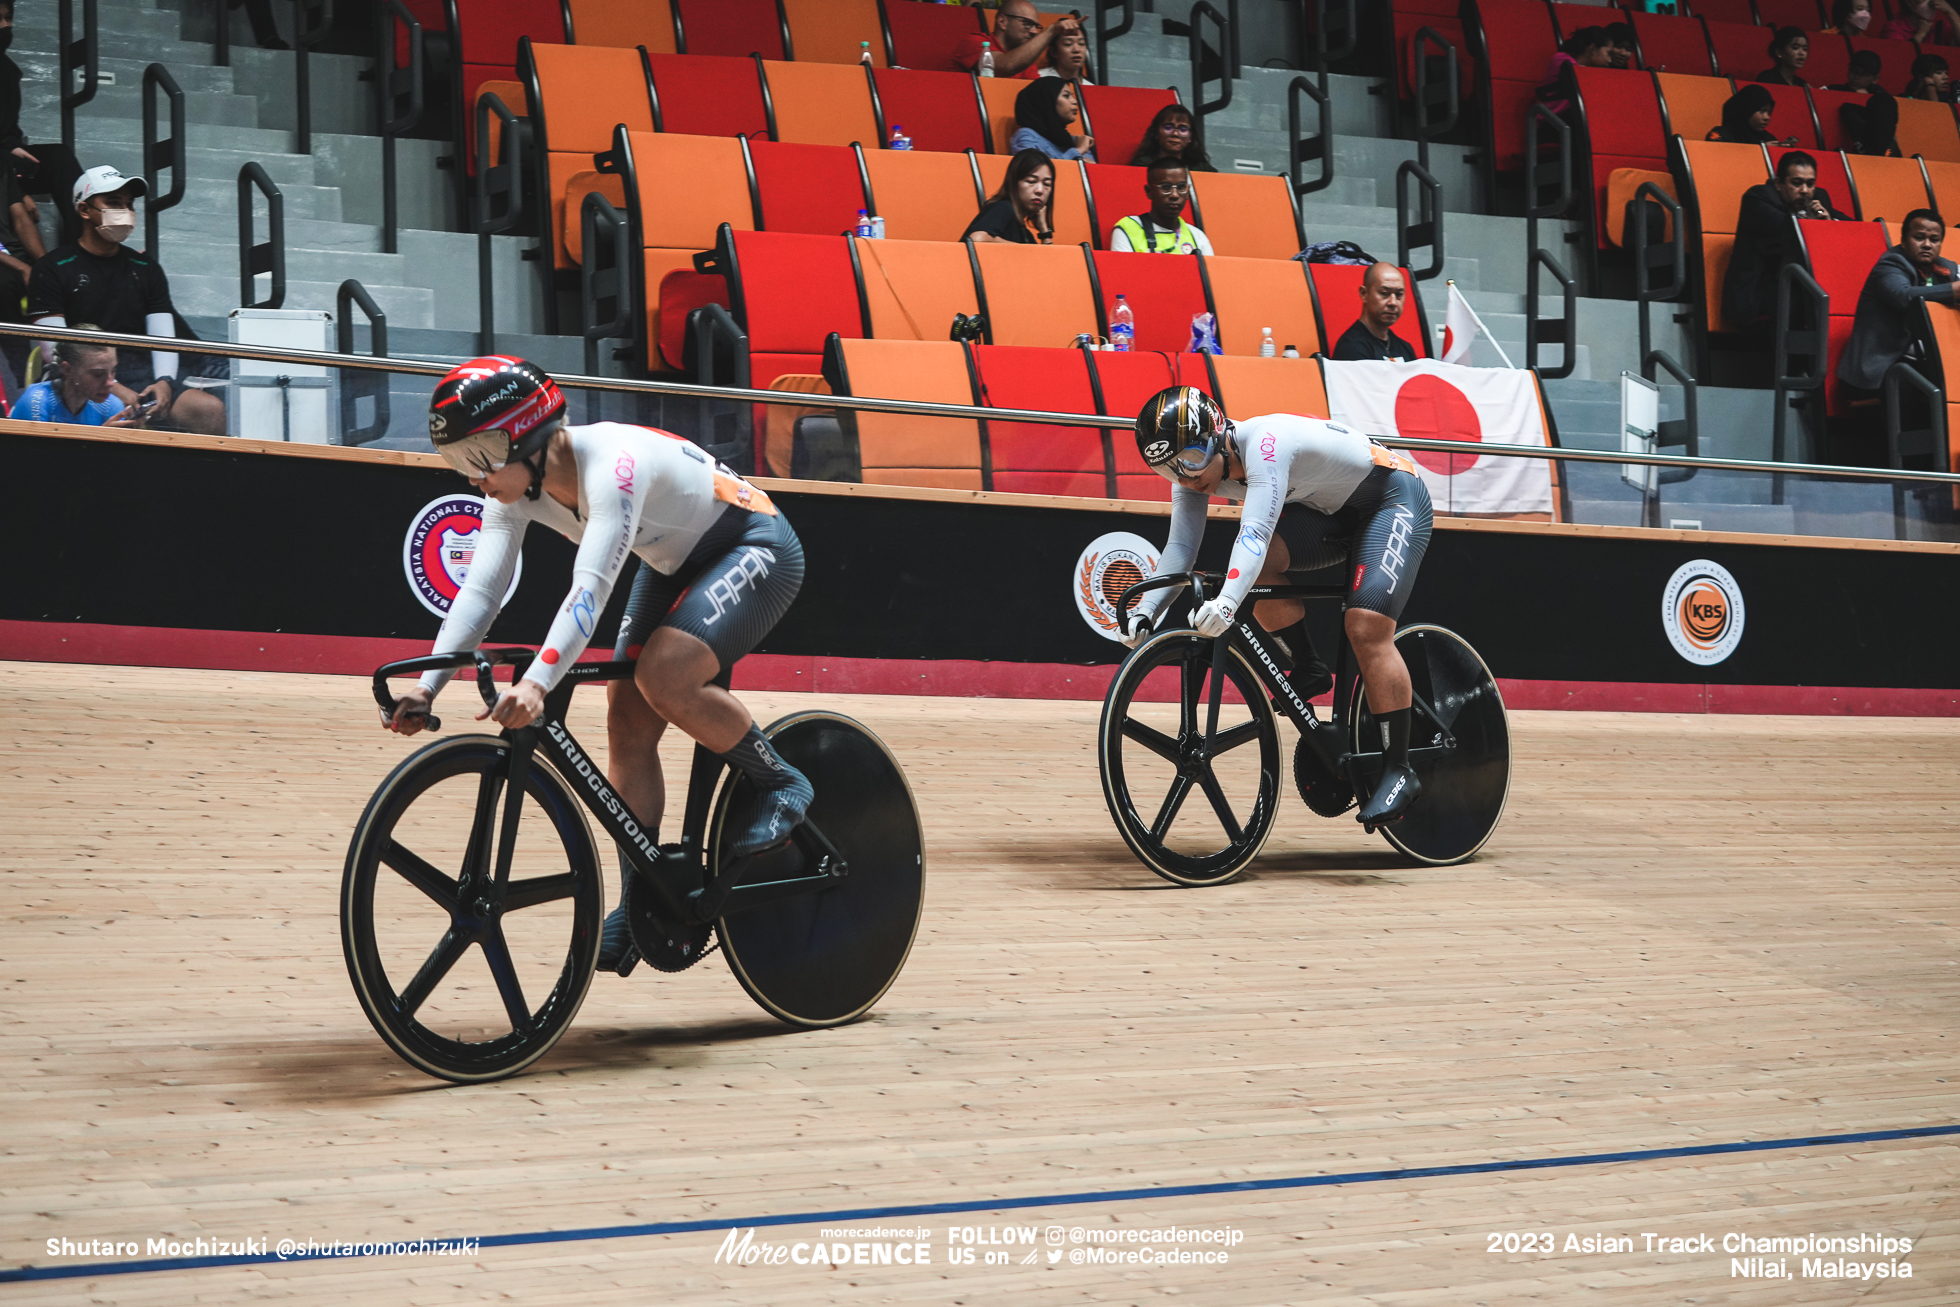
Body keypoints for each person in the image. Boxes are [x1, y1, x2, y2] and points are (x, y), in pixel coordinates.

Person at [384, 357, 809, 979]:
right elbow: (481, 592)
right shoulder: (514, 490)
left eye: (477, 456)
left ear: (524, 435)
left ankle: (781, 781)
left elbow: (589, 590)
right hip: (674, 560)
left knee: (662, 676)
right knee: (627, 718)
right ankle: (646, 897)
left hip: (757, 546)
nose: (472, 477)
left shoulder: (612, 468)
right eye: (458, 462)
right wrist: (426, 687)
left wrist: (536, 684)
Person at [1123, 387, 1435, 825]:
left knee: (1365, 627)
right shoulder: (1193, 472)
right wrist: (1147, 610)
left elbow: (1252, 532)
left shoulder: (1266, 444)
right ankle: (1308, 666)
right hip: (1332, 510)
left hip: (1394, 496)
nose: (1187, 477)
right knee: (1258, 568)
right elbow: (1180, 546)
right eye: (1168, 469)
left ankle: (1399, 768)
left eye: (1191, 459)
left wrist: (1228, 602)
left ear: (1217, 433)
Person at [27, 166, 226, 436]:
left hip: (142, 374)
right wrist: (112, 386)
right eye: (112, 203)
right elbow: (56, 350)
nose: (125, 211)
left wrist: (164, 382)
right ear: (85, 210)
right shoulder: (52, 268)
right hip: (80, 376)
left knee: (208, 409)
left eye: (128, 204)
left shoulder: (144, 267)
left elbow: (163, 337)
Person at [1723, 151, 1849, 341]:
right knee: (1799, 299)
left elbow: (1852, 226)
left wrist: (1830, 222)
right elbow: (1789, 232)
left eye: (1810, 184)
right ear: (1779, 184)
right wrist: (1818, 226)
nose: (1805, 190)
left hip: (1800, 283)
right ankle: (1796, 367)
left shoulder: (1819, 197)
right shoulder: (1758, 198)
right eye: (1796, 183)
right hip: (1758, 289)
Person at [1836, 209, 1958, 400]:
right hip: (1881, 368)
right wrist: (1954, 291)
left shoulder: (1946, 268)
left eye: (1934, 240)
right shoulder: (1891, 264)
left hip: (1923, 362)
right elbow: (1904, 296)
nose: (1927, 245)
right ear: (1904, 239)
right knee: (1926, 388)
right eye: (1919, 237)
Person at [0, 0, 83, 255]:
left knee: (59, 158)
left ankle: (84, 251)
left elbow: (8, 128)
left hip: (5, 161)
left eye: (8, 18)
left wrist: (12, 147)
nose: (5, 26)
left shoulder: (7, 71)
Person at [7, 331, 140, 426]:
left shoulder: (112, 406)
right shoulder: (36, 402)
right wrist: (101, 439)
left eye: (113, 371)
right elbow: (40, 462)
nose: (111, 383)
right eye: (98, 374)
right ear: (68, 370)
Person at [953, 0, 1080, 80]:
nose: (1034, 31)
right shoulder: (975, 42)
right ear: (1002, 22)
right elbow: (1006, 66)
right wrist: (1051, 31)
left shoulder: (1025, 60)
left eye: (1036, 26)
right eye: (1027, 23)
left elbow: (1035, 93)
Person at [1109, 162, 1212, 255]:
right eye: (1166, 187)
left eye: (1181, 187)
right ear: (1149, 191)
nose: (1174, 195)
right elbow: (1123, 275)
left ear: (1188, 192)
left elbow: (1210, 275)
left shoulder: (1197, 237)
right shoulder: (1128, 229)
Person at [961, 149, 1054, 245]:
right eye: (1031, 181)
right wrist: (1023, 250)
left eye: (1047, 184)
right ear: (1014, 183)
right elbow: (977, 238)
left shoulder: (1024, 232)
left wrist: (1044, 231)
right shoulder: (1003, 208)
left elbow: (1048, 259)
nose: (1040, 190)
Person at [1330, 264, 1419, 362]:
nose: (1393, 302)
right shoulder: (1351, 347)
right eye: (1384, 293)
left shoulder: (1405, 348)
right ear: (1364, 293)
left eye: (1399, 295)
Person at [1009, 76, 1094, 161]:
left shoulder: (1072, 140)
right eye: (1066, 96)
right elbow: (1034, 171)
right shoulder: (1026, 137)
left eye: (1072, 96)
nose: (1075, 101)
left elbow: (1091, 169)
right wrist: (1079, 151)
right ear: (1046, 101)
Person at [1537, 27, 1614, 116]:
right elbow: (1578, 77)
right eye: (1608, 53)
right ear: (1593, 49)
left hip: (1574, 122)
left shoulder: (1591, 70)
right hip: (1552, 121)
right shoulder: (1561, 59)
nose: (1610, 60)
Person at [1127, 103, 1215, 173]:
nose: (1175, 134)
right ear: (1156, 133)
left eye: (1183, 129)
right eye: (1168, 127)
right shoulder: (1143, 166)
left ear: (1190, 137)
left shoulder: (1201, 168)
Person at [1706, 84, 1796, 146]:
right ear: (1746, 109)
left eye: (1769, 112)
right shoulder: (1720, 133)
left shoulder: (1768, 137)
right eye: (1762, 111)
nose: (1766, 117)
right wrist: (1760, 149)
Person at [1882, 0, 1960, 46]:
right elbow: (1900, 56)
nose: (1930, 2)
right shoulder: (1894, 27)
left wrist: (1950, 11)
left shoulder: (1941, 26)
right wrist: (1921, 33)